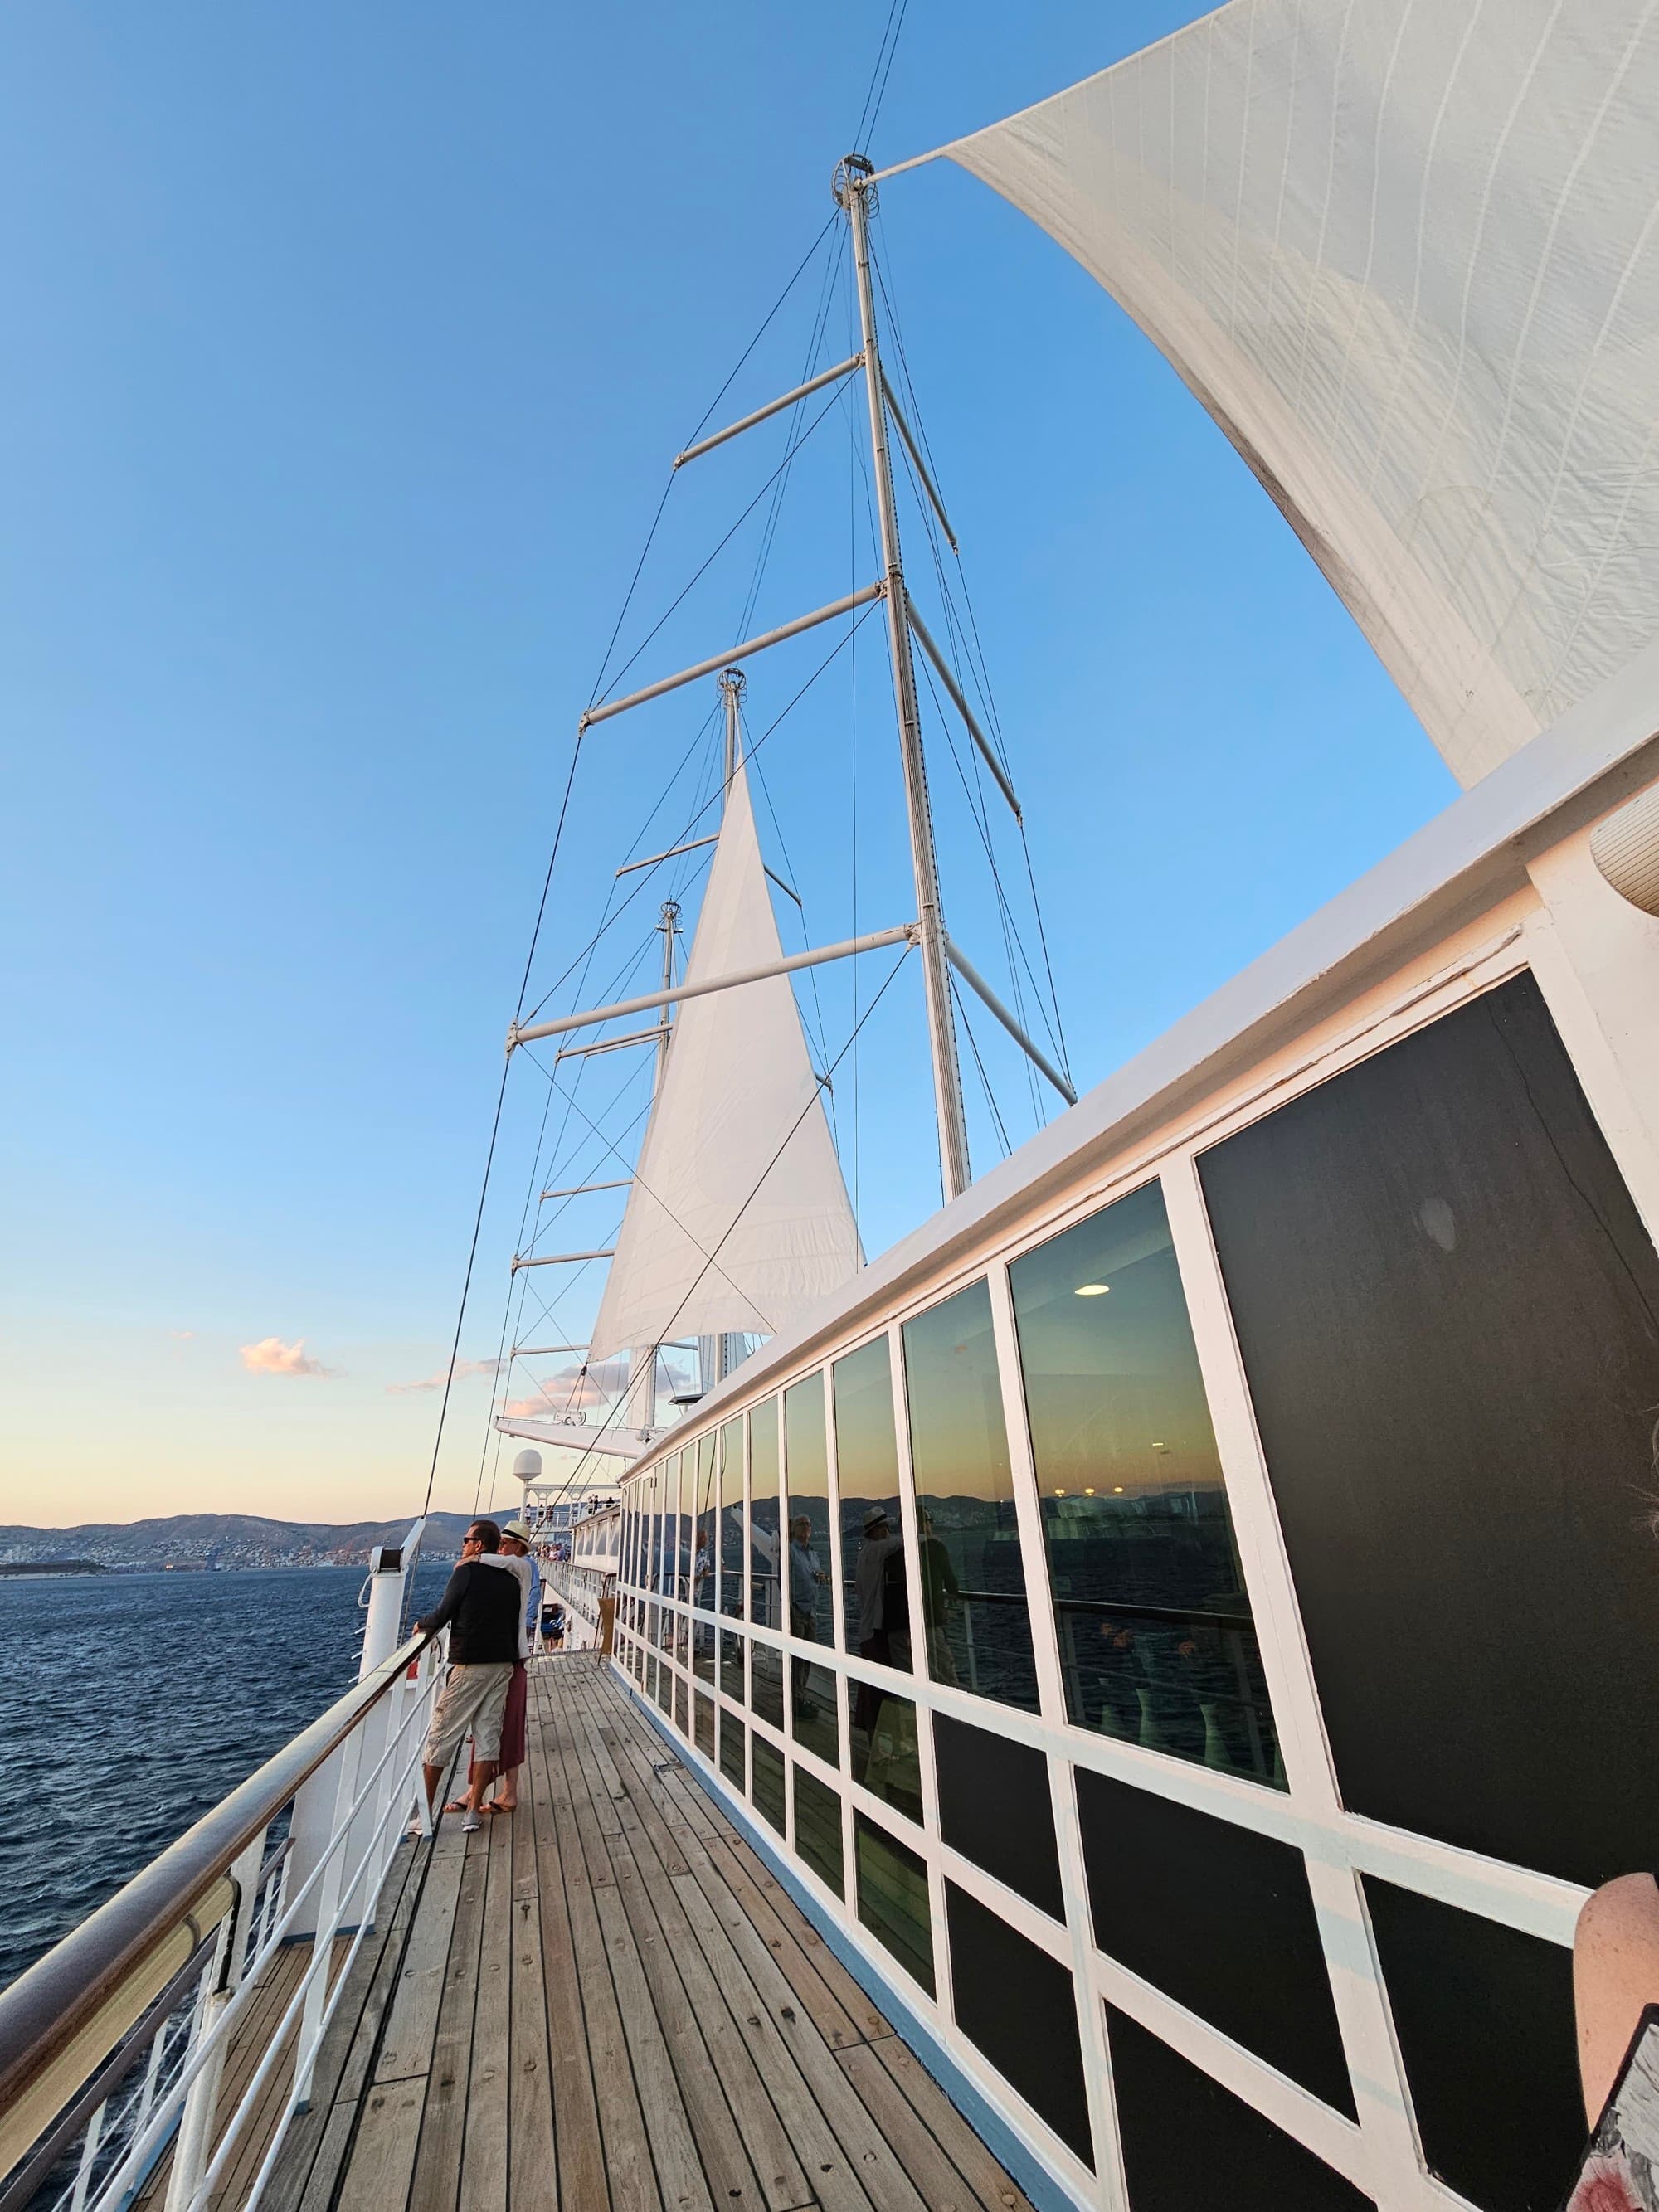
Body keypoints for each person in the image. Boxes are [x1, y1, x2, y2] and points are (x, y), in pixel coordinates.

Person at [413, 1520, 522, 1834]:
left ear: (478, 1544)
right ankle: (473, 1811)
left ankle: (425, 1814)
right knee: (488, 1735)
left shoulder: (466, 1572)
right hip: (502, 1664)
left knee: (440, 1736)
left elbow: (443, 1612)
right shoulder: (510, 1578)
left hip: (471, 1664)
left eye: (466, 1539)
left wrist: (422, 1624)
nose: (463, 1545)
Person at [469, 1518, 538, 1814]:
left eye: (505, 1544)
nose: (501, 1548)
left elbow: (502, 1563)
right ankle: (476, 1789)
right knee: (489, 1724)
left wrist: (473, 1556)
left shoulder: (522, 1566)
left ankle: (506, 1792)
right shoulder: (504, 1569)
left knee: (505, 1724)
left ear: (517, 1547)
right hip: (500, 1656)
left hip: (511, 1658)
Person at [787, 1514, 827, 1708]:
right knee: (797, 1657)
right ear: (794, 1529)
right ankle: (795, 1698)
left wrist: (821, 1577)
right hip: (797, 1610)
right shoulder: (790, 1552)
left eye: (808, 1524)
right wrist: (792, 1603)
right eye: (802, 1524)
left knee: (808, 1655)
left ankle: (800, 1693)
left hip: (811, 1611)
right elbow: (783, 1580)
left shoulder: (812, 1554)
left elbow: (817, 1574)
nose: (806, 1527)